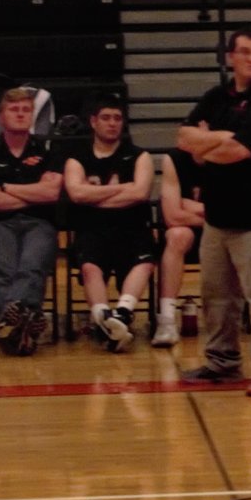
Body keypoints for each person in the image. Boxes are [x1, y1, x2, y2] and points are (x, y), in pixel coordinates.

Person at [174, 29, 251, 396]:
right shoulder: (216, 97)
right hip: (217, 218)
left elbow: (233, 153)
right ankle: (222, 363)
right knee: (217, 296)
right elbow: (183, 139)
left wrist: (213, 142)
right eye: (245, 52)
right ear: (231, 57)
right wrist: (224, 138)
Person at [0, 86, 63, 355]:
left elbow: (52, 193)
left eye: (26, 110)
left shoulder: (47, 149)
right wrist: (33, 193)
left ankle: (11, 327)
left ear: (33, 115)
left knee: (32, 266)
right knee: (2, 272)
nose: (20, 114)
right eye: (14, 109)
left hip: (39, 223)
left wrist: (5, 187)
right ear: (1, 116)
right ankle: (26, 326)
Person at [64, 94, 155, 351]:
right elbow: (76, 193)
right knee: (90, 268)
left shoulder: (139, 156)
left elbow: (140, 193)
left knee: (145, 263)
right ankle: (106, 320)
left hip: (132, 226)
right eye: (106, 118)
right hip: (92, 229)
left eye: (117, 118)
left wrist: (96, 197)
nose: (112, 123)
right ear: (93, 122)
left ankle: (121, 315)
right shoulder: (77, 158)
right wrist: (121, 189)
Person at [152, 148, 203, 349]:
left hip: (222, 231)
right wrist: (214, 212)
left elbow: (236, 209)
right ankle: (167, 319)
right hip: (194, 227)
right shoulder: (174, 159)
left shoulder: (227, 154)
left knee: (240, 234)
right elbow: (172, 216)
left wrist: (189, 204)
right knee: (177, 235)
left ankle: (231, 317)